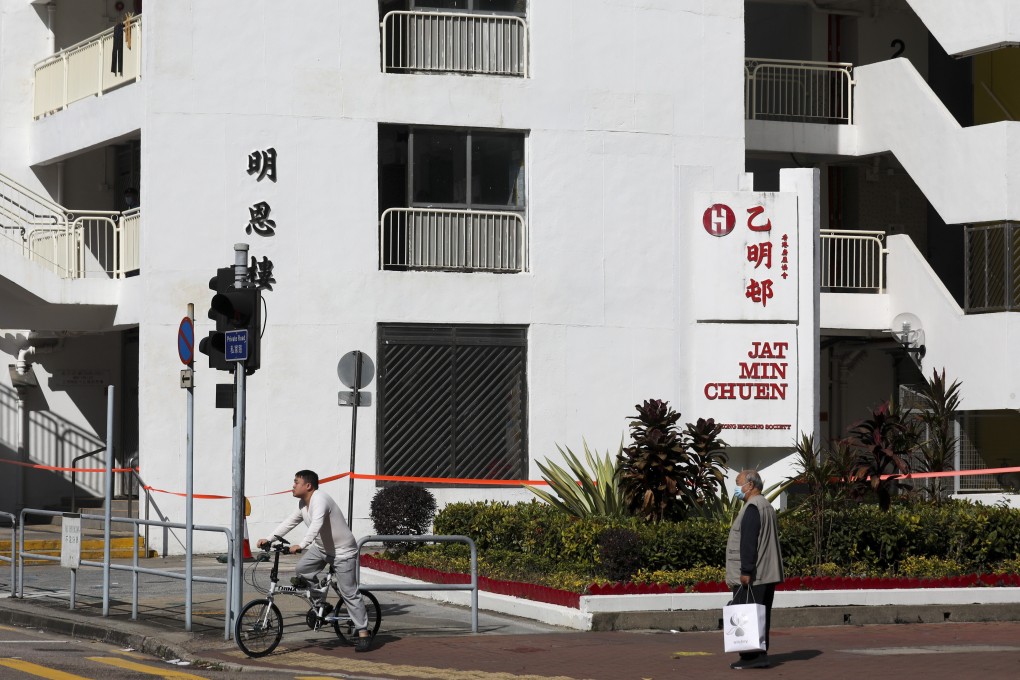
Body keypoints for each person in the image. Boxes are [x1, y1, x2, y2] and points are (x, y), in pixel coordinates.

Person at [257, 470, 374, 652]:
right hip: (321, 549)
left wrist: (301, 545)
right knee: (302, 569)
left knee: (349, 593)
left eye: (296, 482)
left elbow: (316, 525)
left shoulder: (320, 500)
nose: (293, 485)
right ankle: (321, 604)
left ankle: (364, 633)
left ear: (308, 486)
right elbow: (289, 522)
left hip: (343, 552)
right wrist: (269, 538)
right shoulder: (303, 504)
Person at [725, 469, 784, 670]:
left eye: (738, 483)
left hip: (755, 574)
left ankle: (751, 657)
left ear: (750, 485)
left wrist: (746, 571)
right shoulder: (766, 505)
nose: (736, 488)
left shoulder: (752, 507)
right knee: (760, 615)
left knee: (746, 615)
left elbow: (749, 542)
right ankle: (760, 655)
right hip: (767, 573)